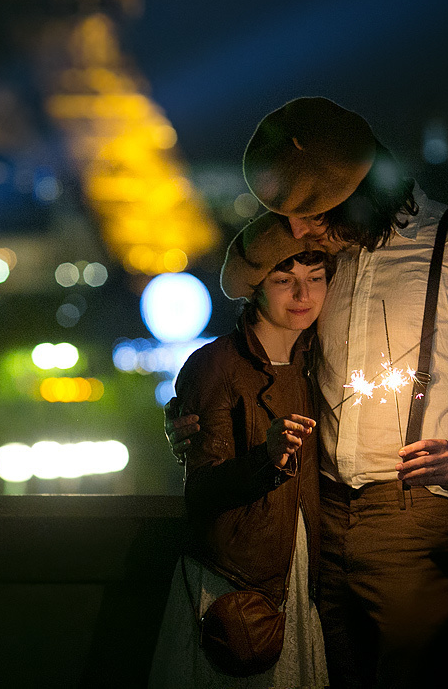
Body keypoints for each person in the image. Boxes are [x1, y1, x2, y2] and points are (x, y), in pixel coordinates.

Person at [166, 96, 448, 688]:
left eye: (311, 213)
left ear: (360, 194)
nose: (296, 231)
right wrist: (196, 412)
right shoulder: (330, 259)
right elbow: (267, 357)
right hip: (316, 516)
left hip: (417, 515)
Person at [149, 212, 335, 688]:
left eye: (316, 278)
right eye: (284, 281)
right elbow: (202, 491)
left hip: (299, 570)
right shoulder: (215, 365)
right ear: (255, 287)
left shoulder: (320, 359)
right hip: (234, 582)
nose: (303, 295)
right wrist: (266, 459)